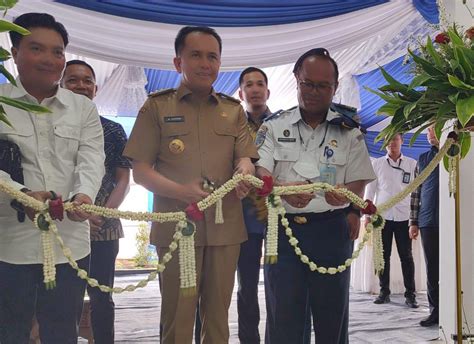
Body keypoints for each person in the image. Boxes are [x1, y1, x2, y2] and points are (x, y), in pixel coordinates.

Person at [123, 26, 258, 344]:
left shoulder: (233, 110)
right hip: (177, 229)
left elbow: (246, 159)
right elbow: (140, 171)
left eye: (212, 56)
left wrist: (243, 168)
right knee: (178, 316)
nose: (205, 63)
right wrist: (182, 192)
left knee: (218, 317)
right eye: (195, 55)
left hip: (226, 231)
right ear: (177, 61)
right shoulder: (156, 107)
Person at [256, 48, 375, 344]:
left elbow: (359, 177)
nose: (313, 92)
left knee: (332, 316)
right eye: (307, 83)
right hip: (283, 231)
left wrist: (350, 205)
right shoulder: (273, 126)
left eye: (323, 86)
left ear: (334, 88)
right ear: (296, 80)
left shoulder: (349, 130)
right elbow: (260, 172)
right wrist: (283, 188)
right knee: (283, 315)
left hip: (332, 232)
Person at [0, 13, 105, 343]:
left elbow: (91, 158)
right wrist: (20, 194)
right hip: (9, 244)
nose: (49, 59)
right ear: (14, 53)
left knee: (63, 331)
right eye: (36, 48)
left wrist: (84, 195)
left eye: (57, 51)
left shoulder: (82, 109)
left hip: (69, 244)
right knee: (9, 331)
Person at [62, 60, 131, 342]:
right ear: (62, 85)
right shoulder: (52, 126)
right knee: (64, 298)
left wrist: (98, 216)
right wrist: (75, 217)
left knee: (103, 298)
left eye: (87, 81)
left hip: (103, 228)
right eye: (73, 80)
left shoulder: (113, 130)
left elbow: (124, 180)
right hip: (62, 224)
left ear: (96, 87)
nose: (81, 86)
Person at [365, 133, 419, 308]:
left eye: (395, 139)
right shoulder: (377, 164)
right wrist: (367, 216)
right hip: (383, 217)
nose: (391, 143)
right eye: (388, 140)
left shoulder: (412, 164)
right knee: (383, 255)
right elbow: (370, 191)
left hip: (404, 217)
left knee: (406, 256)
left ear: (401, 141)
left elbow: (417, 193)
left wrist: (414, 219)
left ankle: (410, 294)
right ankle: (384, 291)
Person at [409, 126, 439, 327]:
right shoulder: (423, 159)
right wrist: (413, 221)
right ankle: (435, 311)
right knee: (432, 269)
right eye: (428, 131)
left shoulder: (457, 152)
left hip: (452, 220)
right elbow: (416, 191)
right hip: (427, 221)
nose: (431, 134)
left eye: (434, 130)